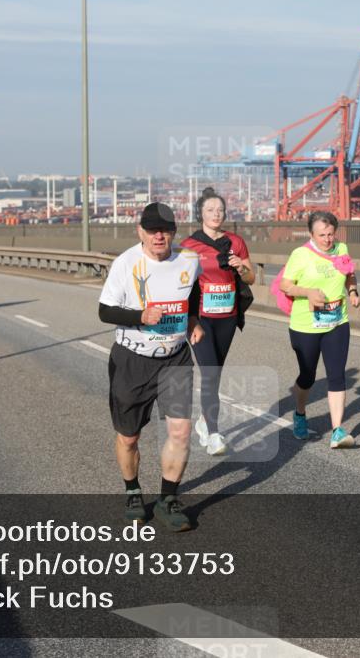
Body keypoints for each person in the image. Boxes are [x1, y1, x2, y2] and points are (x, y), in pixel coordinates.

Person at [98, 202, 204, 531]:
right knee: (129, 437)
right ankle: (132, 491)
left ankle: (167, 499)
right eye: (153, 230)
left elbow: (193, 292)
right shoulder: (126, 263)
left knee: (180, 431)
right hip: (133, 359)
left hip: (175, 358)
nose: (160, 236)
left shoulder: (189, 259)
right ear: (140, 231)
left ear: (174, 231)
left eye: (167, 230)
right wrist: (139, 317)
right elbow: (105, 311)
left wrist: (193, 321)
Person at [180, 187, 255, 456]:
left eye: (220, 210)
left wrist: (240, 267)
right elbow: (181, 284)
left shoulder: (236, 242)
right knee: (210, 373)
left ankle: (203, 421)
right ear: (200, 213)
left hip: (228, 317)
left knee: (216, 373)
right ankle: (213, 433)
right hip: (201, 319)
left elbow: (250, 278)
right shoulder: (189, 245)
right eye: (210, 210)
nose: (216, 214)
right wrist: (188, 319)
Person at [279, 211, 360, 449]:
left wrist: (353, 292)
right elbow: (285, 285)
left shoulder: (341, 249)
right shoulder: (300, 254)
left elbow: (350, 274)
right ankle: (300, 413)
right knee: (308, 377)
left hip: (337, 322)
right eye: (321, 235)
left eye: (330, 234)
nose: (327, 239)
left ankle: (337, 431)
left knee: (336, 375)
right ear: (311, 234)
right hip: (306, 325)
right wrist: (308, 292)